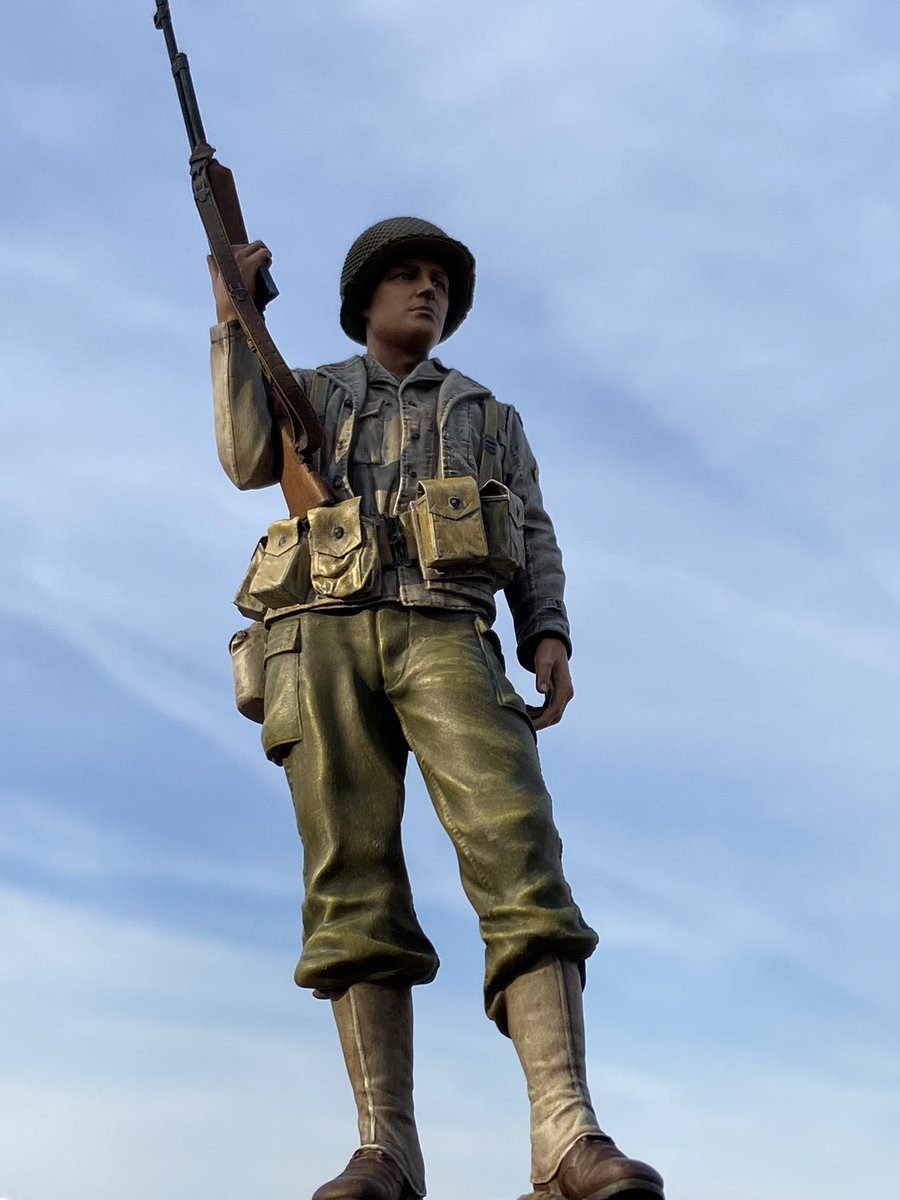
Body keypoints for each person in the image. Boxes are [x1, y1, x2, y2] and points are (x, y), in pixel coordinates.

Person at [208, 217, 664, 1200]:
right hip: (321, 638)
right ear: (363, 300)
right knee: (350, 877)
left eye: (440, 283)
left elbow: (529, 526)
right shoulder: (311, 389)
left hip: (448, 631)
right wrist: (231, 320)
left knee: (517, 848)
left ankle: (565, 1129)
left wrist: (547, 630)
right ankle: (384, 1147)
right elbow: (245, 457)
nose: (427, 291)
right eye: (406, 277)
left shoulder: (487, 414)